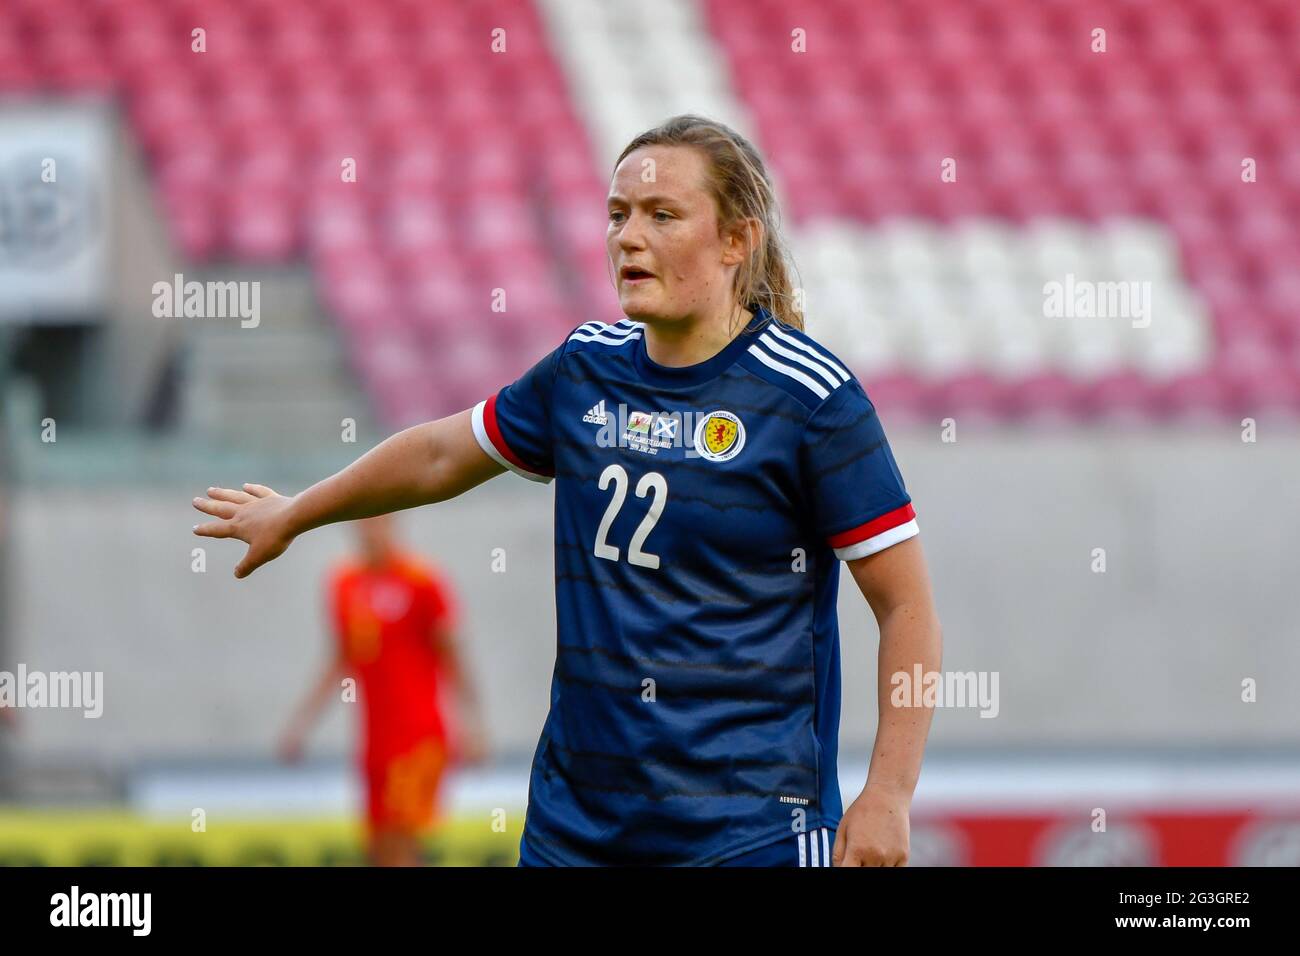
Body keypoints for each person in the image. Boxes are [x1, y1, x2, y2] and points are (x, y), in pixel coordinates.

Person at [193, 114, 942, 867]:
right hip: (578, 831)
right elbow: (437, 455)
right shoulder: (583, 371)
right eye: (617, 214)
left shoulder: (809, 399)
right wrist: (298, 512)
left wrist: (889, 793)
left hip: (751, 832)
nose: (627, 236)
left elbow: (906, 605)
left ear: (736, 241)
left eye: (662, 215)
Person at [277, 514, 486, 867]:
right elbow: (341, 659)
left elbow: (452, 654)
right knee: (379, 848)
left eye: (379, 519)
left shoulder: (422, 580)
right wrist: (303, 723)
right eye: (363, 520)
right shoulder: (343, 584)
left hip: (417, 735)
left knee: (400, 843)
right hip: (374, 740)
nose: (371, 529)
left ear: (393, 521)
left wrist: (473, 723)